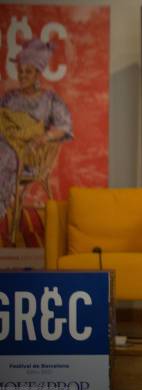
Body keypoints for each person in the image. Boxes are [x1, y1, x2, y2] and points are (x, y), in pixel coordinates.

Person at [0, 38, 73, 246]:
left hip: (32, 156)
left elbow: (64, 126)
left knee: (4, 157)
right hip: (6, 144)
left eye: (28, 72)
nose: (23, 76)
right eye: (20, 71)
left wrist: (45, 137)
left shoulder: (49, 99)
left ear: (38, 74)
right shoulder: (9, 98)